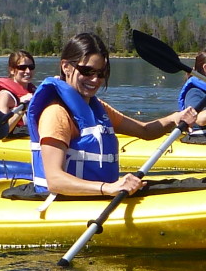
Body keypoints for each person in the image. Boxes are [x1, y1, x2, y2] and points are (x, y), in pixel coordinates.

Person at [29, 32, 196, 197]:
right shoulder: (56, 114)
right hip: (62, 203)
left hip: (97, 197)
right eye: (87, 71)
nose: (95, 80)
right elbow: (55, 180)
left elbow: (145, 131)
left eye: (101, 73)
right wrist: (107, 188)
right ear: (66, 67)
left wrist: (174, 118)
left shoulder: (98, 108)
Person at [0, 51, 35, 136]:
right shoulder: (5, 96)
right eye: (22, 67)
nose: (28, 71)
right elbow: (2, 129)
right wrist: (22, 106)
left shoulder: (33, 92)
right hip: (14, 136)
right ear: (12, 70)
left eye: (31, 67)